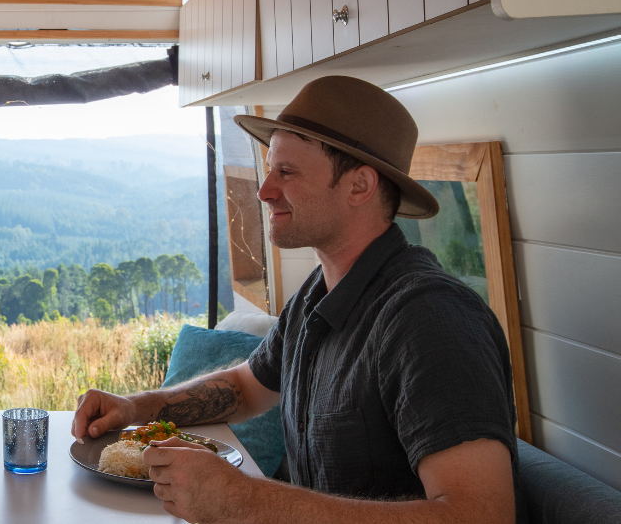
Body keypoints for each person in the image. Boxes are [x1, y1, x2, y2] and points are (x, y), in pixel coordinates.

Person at [72, 76, 521, 524]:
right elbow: (245, 389)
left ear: (360, 186)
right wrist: (134, 408)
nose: (265, 189)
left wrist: (245, 501)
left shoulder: (429, 318)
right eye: (270, 170)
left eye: (286, 172)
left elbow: (482, 514)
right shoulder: (318, 292)